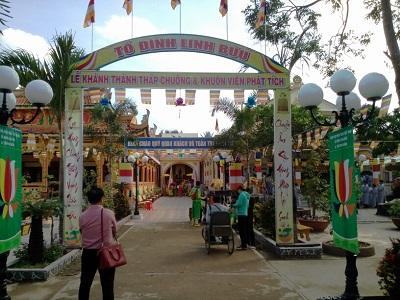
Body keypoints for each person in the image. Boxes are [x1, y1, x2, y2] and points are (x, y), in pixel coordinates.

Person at [79, 187, 117, 300]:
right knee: (107, 286)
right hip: (106, 253)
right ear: (101, 199)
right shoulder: (108, 214)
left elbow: (82, 231)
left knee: (85, 283)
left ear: (89, 200)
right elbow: (115, 230)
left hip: (88, 254)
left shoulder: (82, 216)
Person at [232, 186, 250, 250]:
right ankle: (244, 243)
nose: (238, 192)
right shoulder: (247, 195)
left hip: (241, 213)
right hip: (245, 213)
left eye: (238, 190)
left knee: (241, 230)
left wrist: (233, 205)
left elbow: (239, 204)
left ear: (240, 189)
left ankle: (243, 245)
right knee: (244, 230)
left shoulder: (242, 195)